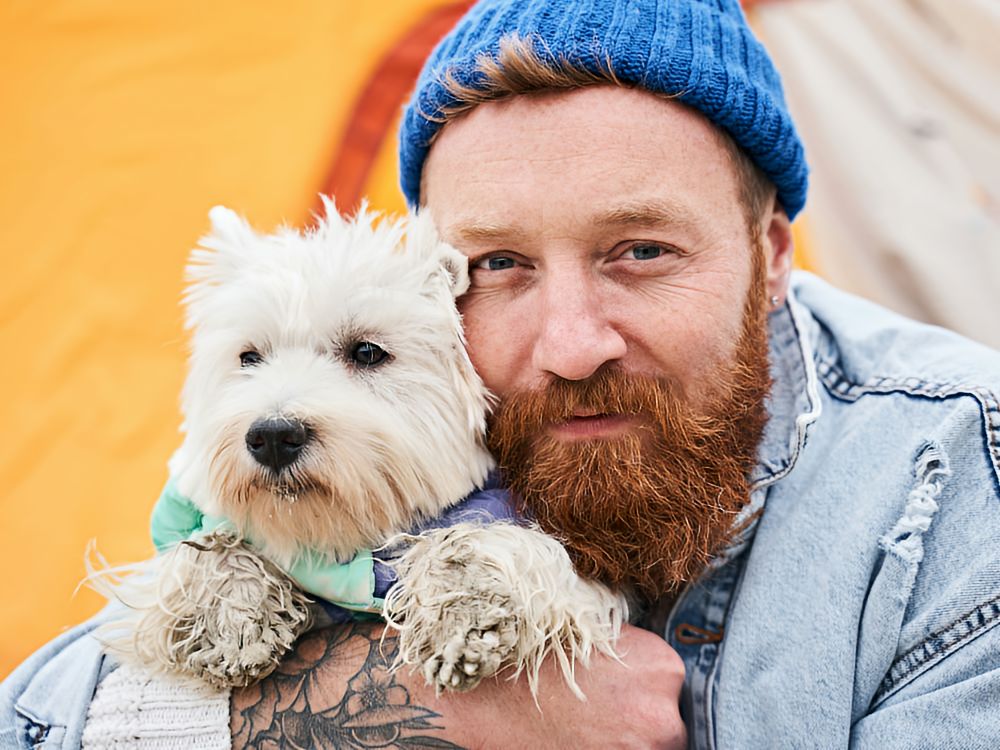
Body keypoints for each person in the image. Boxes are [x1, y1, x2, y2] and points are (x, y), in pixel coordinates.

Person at [3, 0, 1000, 747]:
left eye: (641, 251)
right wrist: (435, 709)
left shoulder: (954, 472)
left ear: (772, 256)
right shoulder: (417, 420)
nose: (571, 345)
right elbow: (34, 718)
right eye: (497, 266)